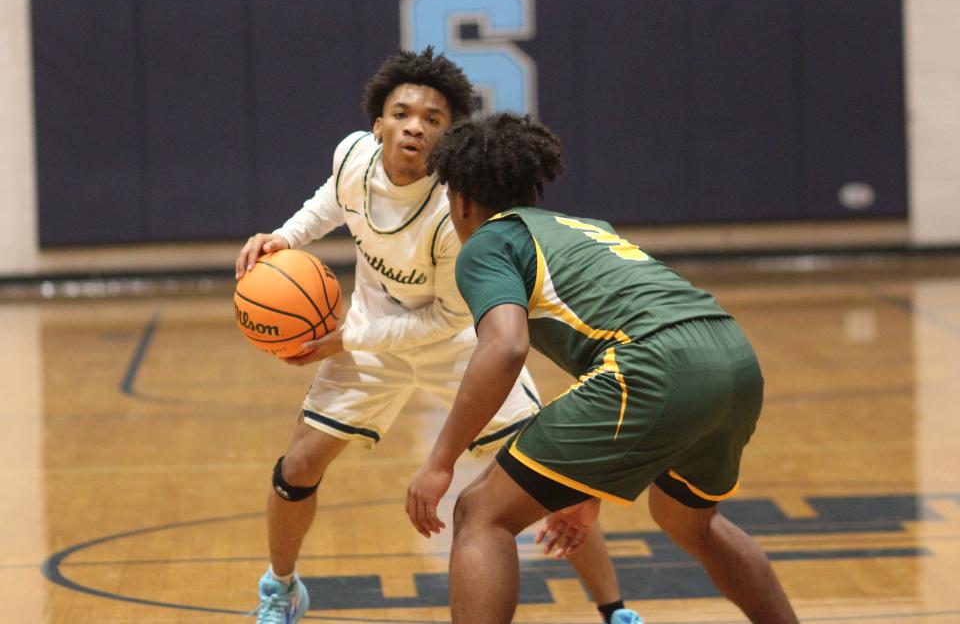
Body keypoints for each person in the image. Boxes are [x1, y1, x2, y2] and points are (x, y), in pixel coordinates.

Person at [236, 49, 634, 624]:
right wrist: (285, 237)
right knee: (297, 467)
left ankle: (616, 610)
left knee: (553, 477)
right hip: (372, 341)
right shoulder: (353, 155)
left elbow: (444, 321)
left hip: (456, 349)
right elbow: (333, 200)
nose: (414, 126)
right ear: (379, 124)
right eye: (402, 113)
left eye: (433, 119)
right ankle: (281, 588)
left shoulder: (456, 213)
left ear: (448, 137)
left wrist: (349, 338)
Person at [405, 113, 800, 624]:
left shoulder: (488, 243)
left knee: (481, 513)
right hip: (732, 356)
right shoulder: (584, 228)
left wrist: (440, 462)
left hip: (654, 363)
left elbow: (504, 348)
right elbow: (613, 344)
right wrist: (585, 484)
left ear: (459, 200)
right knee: (689, 523)